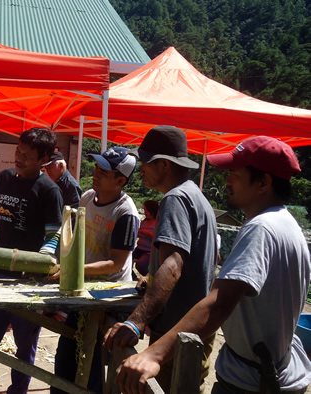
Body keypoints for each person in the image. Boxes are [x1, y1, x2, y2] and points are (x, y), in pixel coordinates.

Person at [112, 136, 311, 394]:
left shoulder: (261, 229)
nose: (227, 181)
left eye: (235, 174)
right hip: (271, 371)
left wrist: (153, 355)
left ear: (263, 182)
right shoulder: (287, 226)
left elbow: (220, 302)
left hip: (250, 383)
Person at [104, 125, 218, 394]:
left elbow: (174, 264)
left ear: (164, 165)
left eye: (145, 162)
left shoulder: (175, 199)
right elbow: (205, 259)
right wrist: (153, 281)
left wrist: (136, 321)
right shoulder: (197, 197)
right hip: (196, 331)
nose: (140, 169)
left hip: (175, 332)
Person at [0, 127, 63, 394]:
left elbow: (54, 235)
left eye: (27, 155)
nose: (19, 157)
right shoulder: (4, 178)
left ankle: (18, 390)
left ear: (44, 159)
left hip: (29, 280)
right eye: (18, 151)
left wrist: (41, 259)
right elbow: (0, 215)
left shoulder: (49, 191)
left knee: (24, 344)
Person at [49, 146, 140, 394]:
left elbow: (116, 263)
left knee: (93, 367)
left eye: (104, 171)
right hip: (82, 288)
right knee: (66, 355)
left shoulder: (126, 213)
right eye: (97, 168)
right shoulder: (87, 197)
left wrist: (72, 268)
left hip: (107, 297)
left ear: (120, 180)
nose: (96, 174)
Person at [133, 200, 159, 277]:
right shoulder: (144, 221)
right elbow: (138, 233)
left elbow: (157, 237)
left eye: (146, 210)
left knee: (140, 265)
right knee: (126, 260)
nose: (145, 212)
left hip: (149, 250)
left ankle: (150, 279)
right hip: (139, 248)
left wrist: (148, 233)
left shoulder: (157, 222)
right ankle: (133, 278)